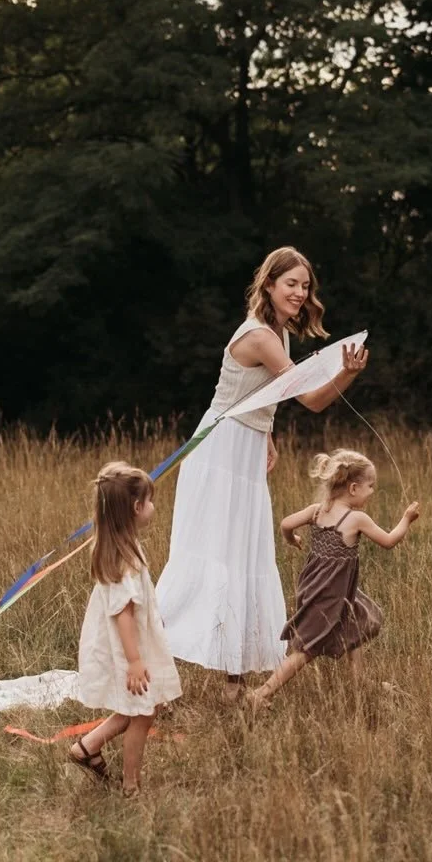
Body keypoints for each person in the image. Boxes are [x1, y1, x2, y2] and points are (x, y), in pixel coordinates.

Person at [155, 246, 369, 703]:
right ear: (269, 284)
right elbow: (310, 399)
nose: (300, 292)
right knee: (214, 556)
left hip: (246, 449)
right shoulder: (262, 336)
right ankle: (145, 657)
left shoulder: (280, 333)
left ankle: (234, 683)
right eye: (291, 283)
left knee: (245, 558)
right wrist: (347, 374)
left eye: (306, 285)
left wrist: (267, 433)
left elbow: (261, 395)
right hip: (220, 451)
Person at [246, 448, 419, 710]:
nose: (372, 491)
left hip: (319, 589)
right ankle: (261, 694)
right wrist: (406, 519)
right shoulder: (356, 519)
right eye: (370, 486)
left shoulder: (317, 511)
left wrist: (292, 539)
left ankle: (363, 685)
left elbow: (285, 524)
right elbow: (389, 541)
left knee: (355, 625)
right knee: (306, 650)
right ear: (352, 488)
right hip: (329, 596)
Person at [69, 462, 181, 797]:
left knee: (143, 708)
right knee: (144, 712)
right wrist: (134, 661)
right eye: (149, 501)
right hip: (128, 648)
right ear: (135, 508)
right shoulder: (125, 561)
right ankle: (131, 785)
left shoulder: (119, 548)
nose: (152, 507)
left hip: (131, 644)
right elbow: (124, 614)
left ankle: (87, 747)